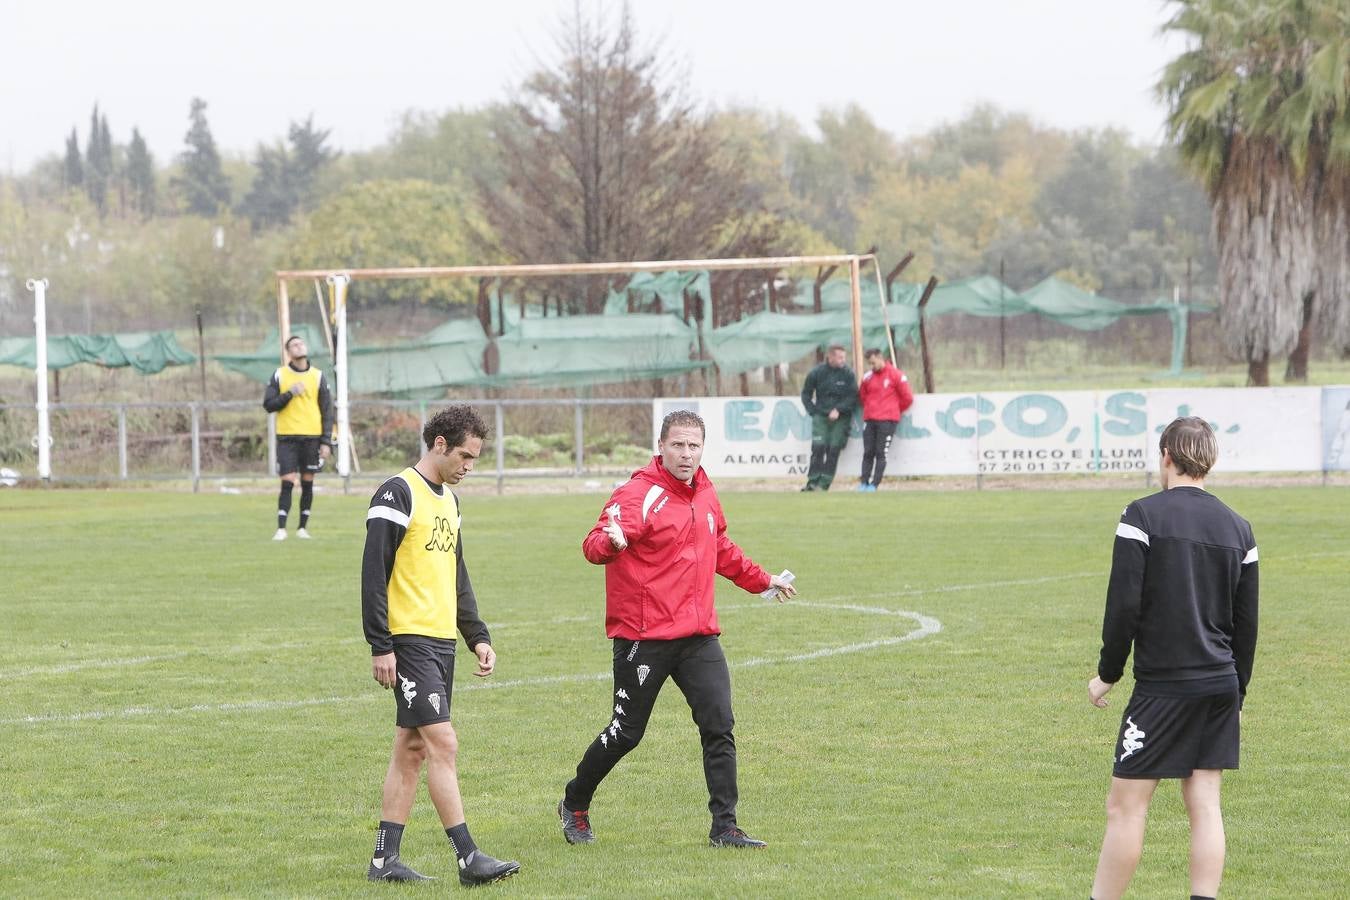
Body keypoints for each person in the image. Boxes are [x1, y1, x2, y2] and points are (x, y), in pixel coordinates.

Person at [557, 409, 797, 849]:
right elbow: (593, 545)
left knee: (719, 725)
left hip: (697, 636)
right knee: (626, 733)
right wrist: (610, 542)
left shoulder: (704, 492)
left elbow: (719, 547)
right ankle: (575, 802)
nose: (686, 454)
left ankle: (725, 827)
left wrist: (764, 580)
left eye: (694, 445)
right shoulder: (637, 494)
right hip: (643, 638)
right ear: (661, 447)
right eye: (678, 445)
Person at [1086, 416, 1259, 900]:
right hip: (1219, 685)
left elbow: (1123, 604)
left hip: (1163, 688)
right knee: (1204, 804)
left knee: (1126, 807)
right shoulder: (1239, 528)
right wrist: (1238, 691)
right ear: (1210, 461)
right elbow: (1247, 625)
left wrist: (1108, 673)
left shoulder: (1142, 515)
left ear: (1165, 456)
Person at [361, 405, 520, 886]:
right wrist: (380, 644)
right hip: (408, 641)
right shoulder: (397, 492)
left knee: (411, 749)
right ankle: (468, 857)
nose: (469, 466)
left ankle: (383, 862)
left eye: (475, 458)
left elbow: (457, 575)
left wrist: (476, 635)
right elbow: (374, 574)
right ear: (439, 444)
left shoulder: (450, 502)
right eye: (466, 456)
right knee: (442, 743)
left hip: (440, 642)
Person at [262, 335, 334, 540]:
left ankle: (302, 528)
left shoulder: (318, 376)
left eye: (301, 343)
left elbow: (327, 411)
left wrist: (326, 441)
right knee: (287, 481)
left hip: (312, 437)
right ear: (288, 352)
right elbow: (268, 405)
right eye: (294, 345)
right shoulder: (280, 375)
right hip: (287, 437)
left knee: (307, 481)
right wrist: (289, 393)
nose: (299, 346)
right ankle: (281, 528)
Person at [799, 344, 858, 491]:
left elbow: (853, 397)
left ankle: (824, 484)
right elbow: (806, 394)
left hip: (841, 418)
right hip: (821, 417)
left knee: (833, 450)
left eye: (844, 357)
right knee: (818, 448)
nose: (843, 360)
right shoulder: (817, 373)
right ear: (830, 357)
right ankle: (812, 482)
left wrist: (839, 409)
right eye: (839, 357)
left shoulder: (848, 374)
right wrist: (813, 412)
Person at [856, 348, 914, 492]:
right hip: (870, 419)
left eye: (873, 363)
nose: (872, 366)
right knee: (868, 452)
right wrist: (870, 408)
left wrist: (893, 410)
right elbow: (862, 397)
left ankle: (874, 485)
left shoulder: (896, 375)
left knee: (880, 452)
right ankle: (864, 482)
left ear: (880, 358)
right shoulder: (867, 377)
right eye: (869, 363)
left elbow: (907, 398)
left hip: (887, 421)